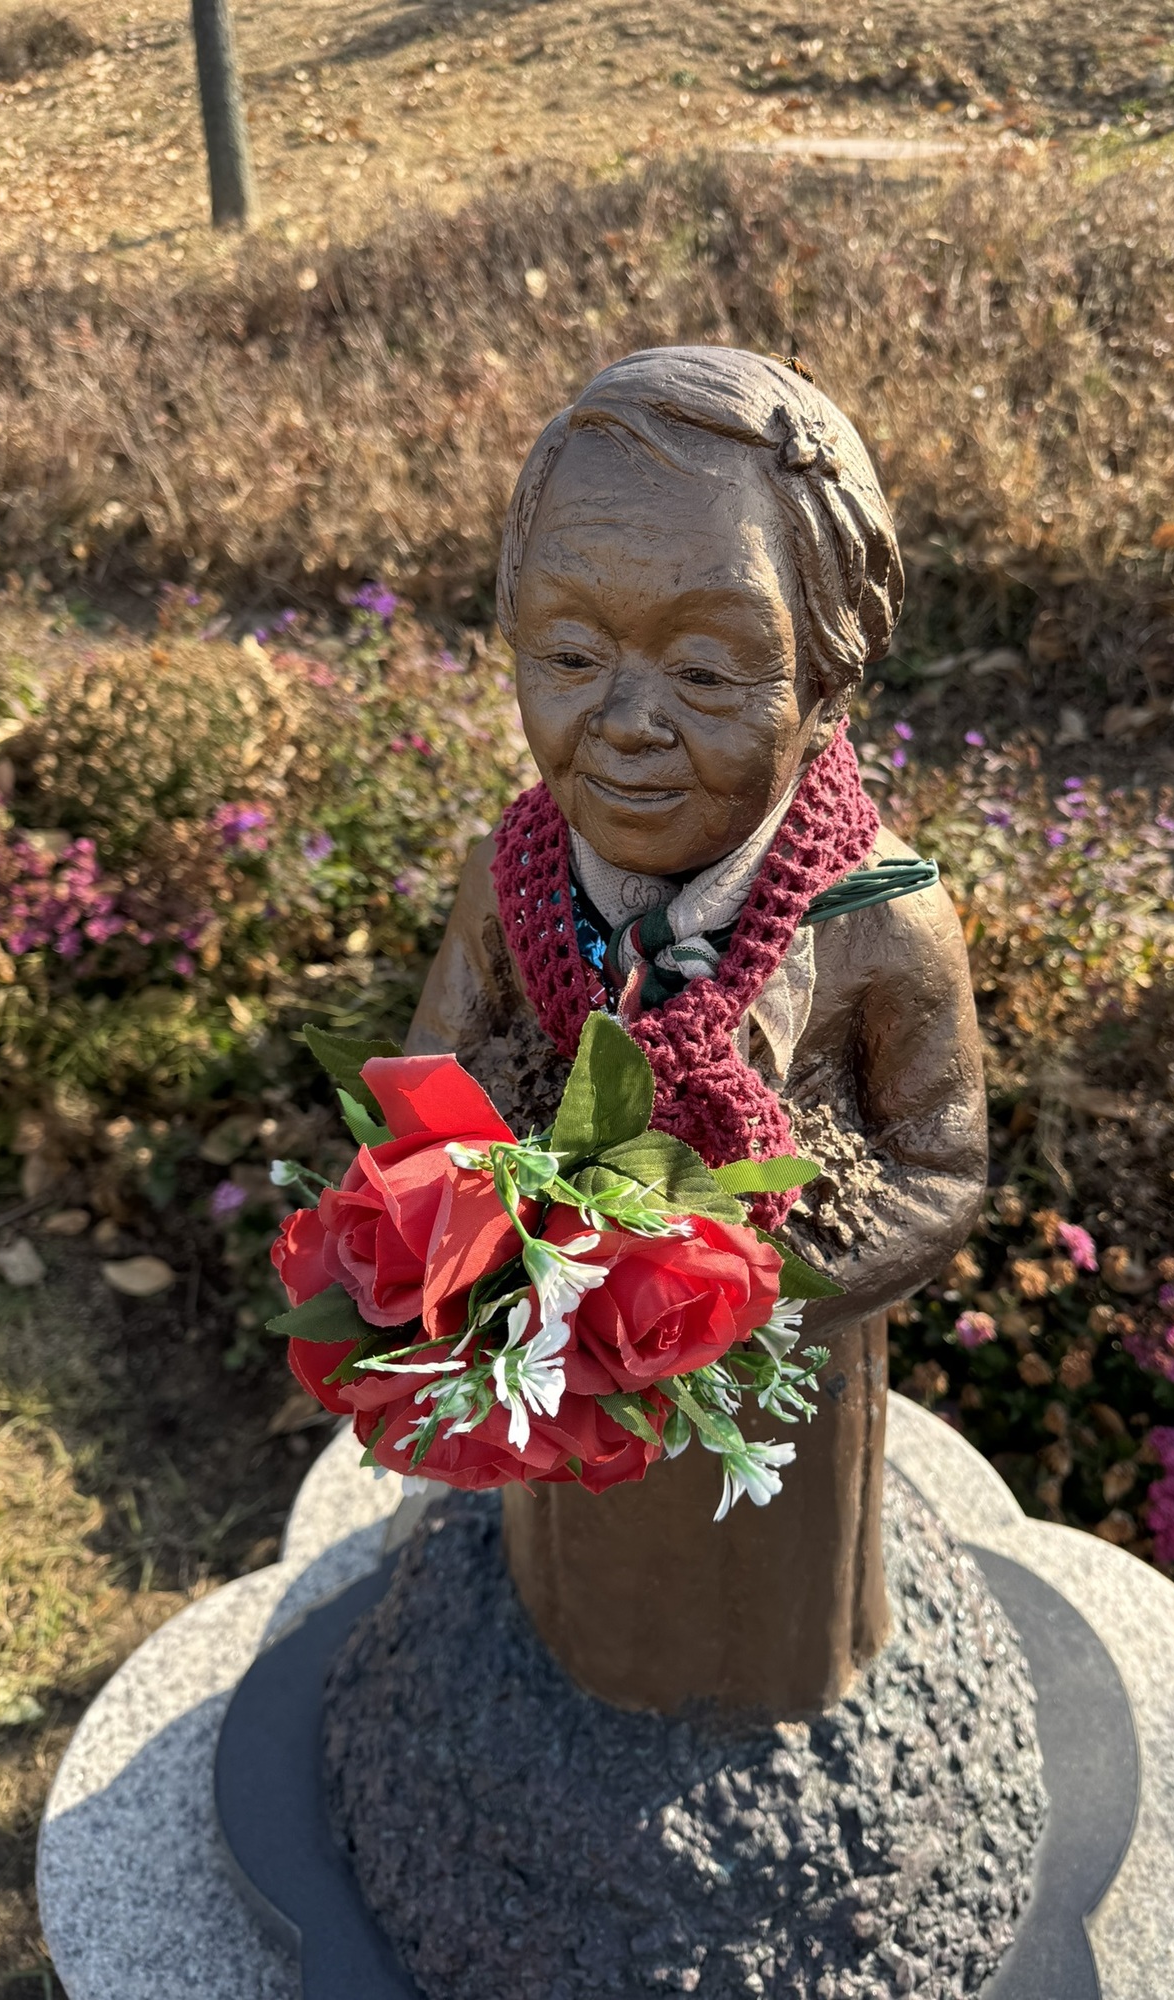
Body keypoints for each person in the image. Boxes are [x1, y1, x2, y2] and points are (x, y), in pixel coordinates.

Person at [407, 346, 986, 1716]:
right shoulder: (515, 884)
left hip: (769, 1399)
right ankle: (563, 1646)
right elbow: (425, 1084)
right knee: (573, 1567)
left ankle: (779, 1681)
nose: (626, 724)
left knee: (759, 1602)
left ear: (826, 680)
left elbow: (940, 1164)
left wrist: (735, 1290)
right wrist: (492, 1241)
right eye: (567, 655)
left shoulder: (877, 922)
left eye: (710, 672)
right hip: (558, 1361)